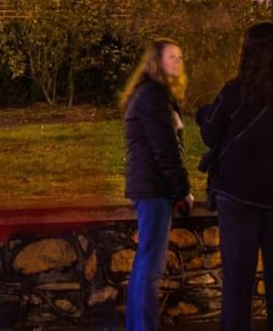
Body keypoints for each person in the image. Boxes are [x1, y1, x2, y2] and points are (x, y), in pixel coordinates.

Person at [198, 21, 273, 331]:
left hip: (239, 194)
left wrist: (202, 113)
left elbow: (210, 134)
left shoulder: (234, 93)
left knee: (238, 280)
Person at [122, 38, 193, 331]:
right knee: (150, 265)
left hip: (151, 187)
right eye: (171, 57)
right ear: (156, 61)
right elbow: (164, 148)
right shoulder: (152, 96)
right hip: (153, 189)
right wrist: (182, 188)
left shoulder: (154, 94)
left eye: (179, 57)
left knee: (146, 263)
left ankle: (137, 325)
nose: (178, 61)